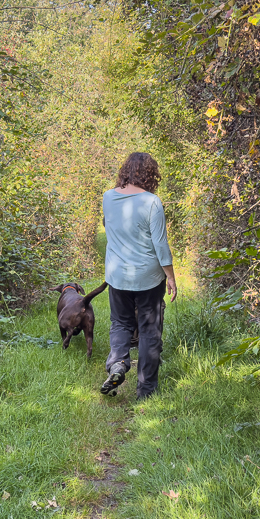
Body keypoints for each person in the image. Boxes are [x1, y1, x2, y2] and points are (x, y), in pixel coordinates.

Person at [99, 152, 177, 399]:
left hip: (117, 275)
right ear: (150, 175)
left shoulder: (108, 197)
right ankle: (145, 390)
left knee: (121, 323)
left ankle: (118, 363)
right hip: (148, 278)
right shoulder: (152, 202)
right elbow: (161, 246)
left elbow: (109, 226)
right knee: (149, 330)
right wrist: (171, 276)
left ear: (125, 171)